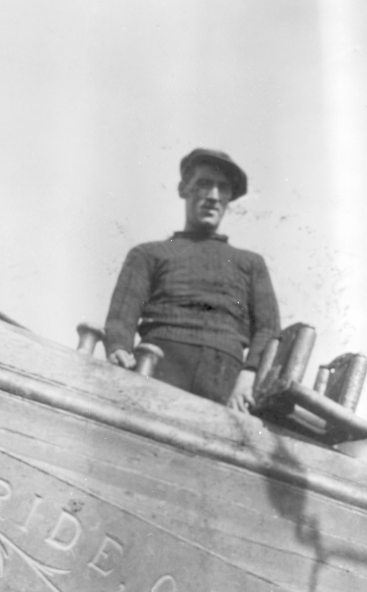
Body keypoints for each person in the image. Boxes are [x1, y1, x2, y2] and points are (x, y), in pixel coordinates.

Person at [104, 148, 280, 412]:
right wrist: (119, 348)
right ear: (183, 189)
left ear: (230, 198)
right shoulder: (148, 254)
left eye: (223, 188)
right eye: (204, 184)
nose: (213, 196)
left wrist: (249, 375)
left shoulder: (250, 263)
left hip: (224, 378)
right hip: (160, 364)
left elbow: (268, 329)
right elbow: (121, 319)